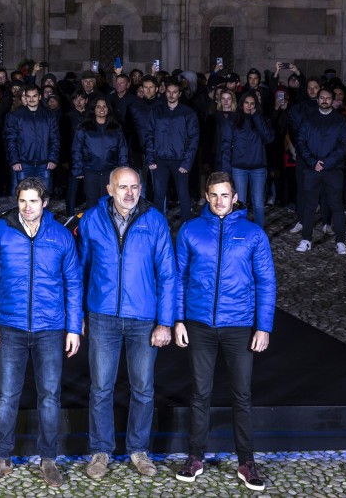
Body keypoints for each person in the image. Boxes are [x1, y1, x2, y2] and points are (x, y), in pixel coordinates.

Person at [174, 172, 276, 491]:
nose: (220, 202)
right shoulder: (190, 230)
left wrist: (264, 326)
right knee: (200, 393)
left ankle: (246, 461)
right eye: (214, 195)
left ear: (235, 197)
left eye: (225, 195)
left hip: (239, 326)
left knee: (241, 395)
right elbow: (178, 277)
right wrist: (178, 320)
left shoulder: (253, 233)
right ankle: (195, 457)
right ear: (206, 196)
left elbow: (266, 282)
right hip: (200, 324)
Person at [0, 176, 82, 488]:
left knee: (49, 396)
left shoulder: (61, 236)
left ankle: (48, 460)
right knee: (7, 395)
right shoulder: (1, 231)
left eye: (33, 201)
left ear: (45, 203)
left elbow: (73, 284)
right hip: (10, 326)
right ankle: (1, 458)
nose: (27, 207)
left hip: (51, 328)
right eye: (22, 200)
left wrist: (74, 328)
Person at [77, 166, 176, 479]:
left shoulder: (155, 220)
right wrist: (77, 315)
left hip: (143, 319)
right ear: (110, 189)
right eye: (123, 187)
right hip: (102, 316)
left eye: (135, 187)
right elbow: (79, 271)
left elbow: (168, 275)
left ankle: (138, 449)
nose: (130, 193)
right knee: (101, 389)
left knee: (143, 389)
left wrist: (165, 322)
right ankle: (100, 451)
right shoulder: (92, 220)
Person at [295, 88, 346, 255]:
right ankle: (306, 239)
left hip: (333, 170)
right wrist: (313, 162)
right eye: (322, 98)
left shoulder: (341, 121)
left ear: (332, 100)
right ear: (318, 99)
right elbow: (301, 142)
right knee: (309, 206)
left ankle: (340, 242)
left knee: (336, 206)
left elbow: (345, 145)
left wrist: (327, 163)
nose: (325, 100)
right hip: (312, 169)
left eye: (328, 98)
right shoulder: (308, 119)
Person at [146, 80, 199, 220]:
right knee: (158, 194)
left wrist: (187, 163)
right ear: (165, 93)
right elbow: (149, 135)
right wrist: (150, 158)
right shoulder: (157, 111)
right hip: (160, 159)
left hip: (179, 160)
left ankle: (186, 228)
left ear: (179, 94)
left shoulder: (188, 113)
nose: (171, 94)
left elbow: (193, 138)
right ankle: (157, 226)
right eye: (169, 92)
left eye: (175, 92)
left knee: (183, 194)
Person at [221, 92, 275, 227]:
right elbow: (226, 144)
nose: (249, 106)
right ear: (241, 104)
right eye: (247, 103)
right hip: (239, 167)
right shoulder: (233, 120)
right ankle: (240, 230)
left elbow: (268, 138)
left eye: (252, 104)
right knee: (240, 202)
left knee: (258, 203)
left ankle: (259, 232)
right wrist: (226, 168)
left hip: (258, 167)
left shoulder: (262, 119)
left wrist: (256, 117)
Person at [71, 96, 129, 209]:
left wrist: (123, 169)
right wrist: (77, 169)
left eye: (104, 106)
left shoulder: (116, 128)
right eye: (98, 107)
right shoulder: (84, 127)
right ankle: (92, 225)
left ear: (108, 109)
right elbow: (76, 149)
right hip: (90, 171)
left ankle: (107, 225)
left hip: (110, 171)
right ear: (94, 109)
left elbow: (122, 149)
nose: (102, 109)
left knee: (108, 201)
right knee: (91, 201)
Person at [4, 84, 60, 193]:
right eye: (28, 96)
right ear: (25, 98)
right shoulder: (15, 116)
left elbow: (55, 138)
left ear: (39, 97)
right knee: (23, 195)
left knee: (44, 197)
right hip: (24, 163)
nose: (31, 99)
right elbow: (11, 139)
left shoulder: (49, 115)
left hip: (44, 163)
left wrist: (53, 159)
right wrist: (15, 160)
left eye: (34, 96)